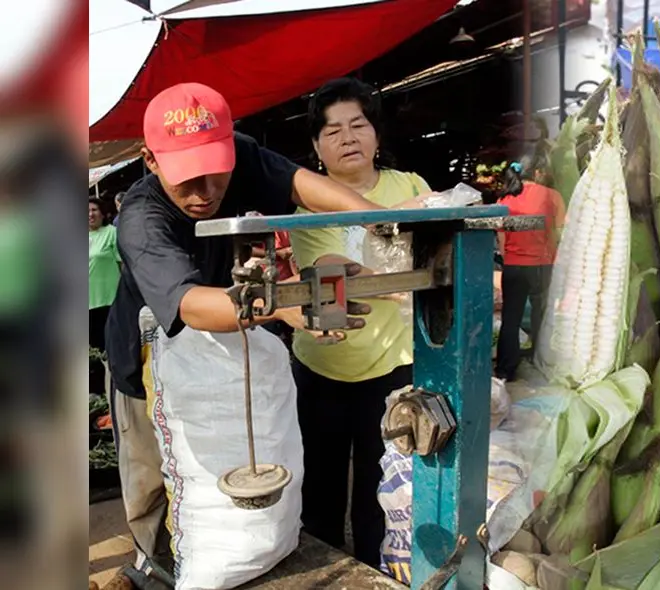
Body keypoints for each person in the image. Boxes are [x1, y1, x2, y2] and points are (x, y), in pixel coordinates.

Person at [104, 82, 424, 579]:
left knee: (220, 468)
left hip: (223, 341)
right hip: (146, 359)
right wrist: (282, 303)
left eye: (215, 171)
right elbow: (190, 305)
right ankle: (158, 571)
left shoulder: (241, 157)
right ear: (150, 160)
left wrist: (381, 222)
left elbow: (299, 183)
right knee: (155, 482)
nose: (204, 191)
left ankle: (229, 562)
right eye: (187, 178)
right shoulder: (141, 218)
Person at [286, 77, 429, 568]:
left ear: (376, 134)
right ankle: (324, 568)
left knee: (384, 481)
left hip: (394, 366)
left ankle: (374, 568)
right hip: (322, 368)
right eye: (332, 131)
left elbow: (438, 248)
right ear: (316, 147)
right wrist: (406, 274)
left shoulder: (411, 186)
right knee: (320, 484)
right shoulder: (308, 202)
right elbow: (333, 274)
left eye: (358, 125)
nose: (347, 138)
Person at [495, 162, 565, 382]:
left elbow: (501, 241)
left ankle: (506, 370)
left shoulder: (504, 200)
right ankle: (540, 360)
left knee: (510, 319)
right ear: (537, 173)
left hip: (514, 267)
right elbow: (559, 234)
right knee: (542, 316)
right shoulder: (552, 196)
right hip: (543, 265)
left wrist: (510, 260)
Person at [89, 197, 120, 393]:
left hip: (108, 302)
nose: (90, 214)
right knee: (94, 354)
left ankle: (116, 391)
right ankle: (100, 393)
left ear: (102, 213)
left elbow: (123, 265)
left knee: (111, 350)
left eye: (94, 210)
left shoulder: (111, 233)